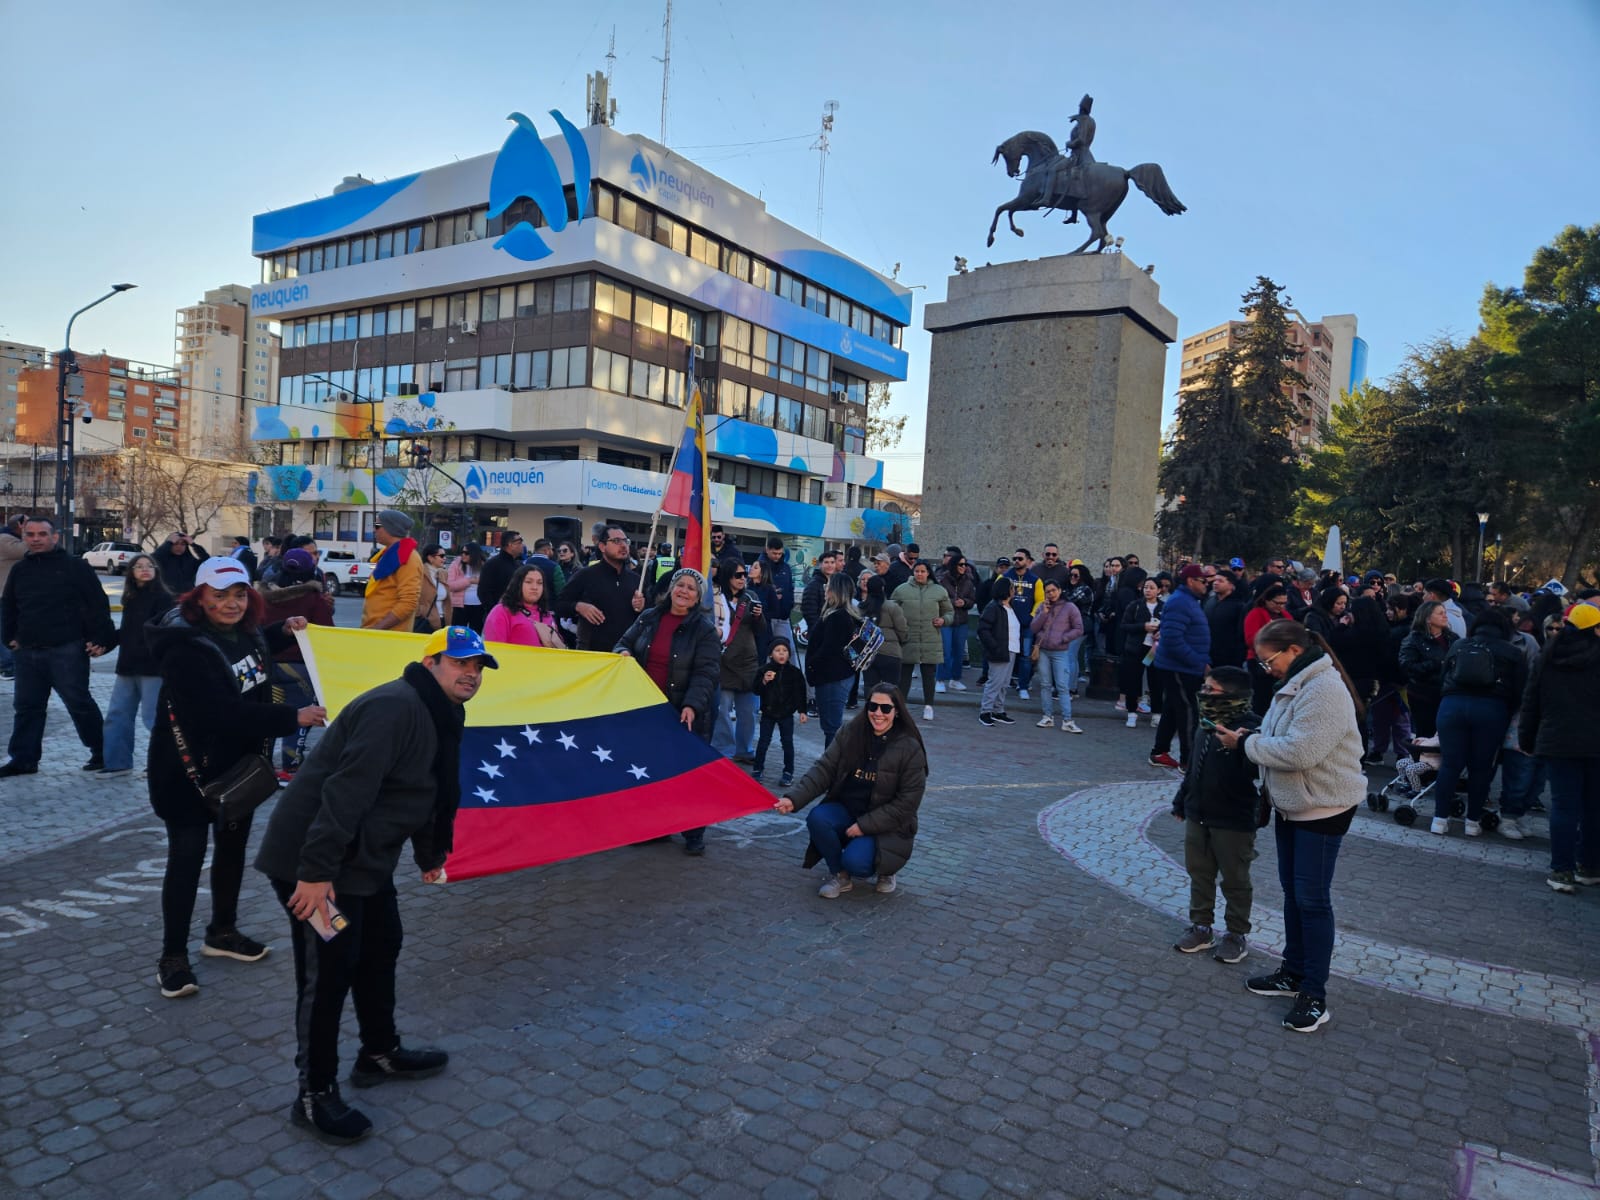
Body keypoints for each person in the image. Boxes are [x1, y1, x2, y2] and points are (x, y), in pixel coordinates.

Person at [255, 625, 493, 1142]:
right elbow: (345, 792)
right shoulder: (396, 707)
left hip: (361, 859)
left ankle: (378, 1053)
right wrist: (316, 874)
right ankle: (313, 1094)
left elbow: (431, 789)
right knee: (329, 972)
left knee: (382, 944)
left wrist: (429, 854)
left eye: (477, 667)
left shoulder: (442, 710)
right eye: (460, 664)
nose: (470, 674)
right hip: (313, 859)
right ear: (431, 664)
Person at [148, 557, 326, 1001]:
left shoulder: (244, 630)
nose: (231, 603)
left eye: (239, 594)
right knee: (186, 863)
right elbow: (220, 712)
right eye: (220, 595)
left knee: (231, 852)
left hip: (238, 769)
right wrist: (292, 716)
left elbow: (243, 659)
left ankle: (221, 932)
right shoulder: (183, 647)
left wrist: (279, 631)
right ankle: (172, 956)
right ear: (199, 597)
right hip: (186, 775)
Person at [1217, 619, 1365, 1034]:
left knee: (1313, 900)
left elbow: (1302, 751)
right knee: (1294, 895)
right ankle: (1294, 971)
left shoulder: (1325, 689)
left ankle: (1314, 995)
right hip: (1292, 803)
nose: (1268, 669)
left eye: (1269, 662)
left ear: (1294, 652)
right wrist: (1255, 733)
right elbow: (1281, 731)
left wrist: (1245, 744)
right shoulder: (1298, 682)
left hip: (1323, 806)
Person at [774, 684, 927, 899]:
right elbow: (824, 769)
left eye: (886, 708)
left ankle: (886, 870)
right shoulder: (850, 732)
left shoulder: (910, 747)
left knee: (857, 863)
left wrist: (865, 826)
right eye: (873, 706)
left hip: (888, 825)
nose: (878, 713)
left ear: (897, 711)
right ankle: (840, 875)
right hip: (849, 810)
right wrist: (793, 798)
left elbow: (907, 803)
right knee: (818, 818)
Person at [615, 569, 721, 855]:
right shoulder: (649, 617)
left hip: (683, 713)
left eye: (691, 588)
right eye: (680, 585)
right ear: (671, 588)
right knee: (651, 772)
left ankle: (694, 833)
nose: (684, 591)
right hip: (646, 711)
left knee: (688, 776)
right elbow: (623, 643)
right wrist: (624, 653)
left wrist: (692, 705)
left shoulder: (705, 629)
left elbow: (707, 672)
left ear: (698, 597)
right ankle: (656, 828)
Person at [0, 516, 116, 776]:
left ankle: (103, 752)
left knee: (79, 703)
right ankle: (23, 759)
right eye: (30, 534)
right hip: (28, 652)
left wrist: (101, 639)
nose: (36, 539)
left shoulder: (75, 567)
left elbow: (98, 605)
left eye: (42, 534)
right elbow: (9, 606)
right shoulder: (20, 569)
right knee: (27, 707)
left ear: (55, 537)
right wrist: (9, 637)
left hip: (67, 650)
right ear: (24, 538)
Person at [1171, 666, 1262, 965]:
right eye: (1205, 688)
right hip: (1199, 813)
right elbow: (1193, 769)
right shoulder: (1204, 724)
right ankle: (1201, 927)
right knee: (1200, 872)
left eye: (1211, 690)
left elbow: (1257, 774)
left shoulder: (1251, 730)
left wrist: (1240, 746)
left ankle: (1236, 933)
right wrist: (1182, 801)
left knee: (1235, 878)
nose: (1204, 694)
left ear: (1233, 694)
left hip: (1234, 819)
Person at [1519, 604, 1600, 891]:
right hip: (1595, 744)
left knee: (1564, 807)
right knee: (1594, 808)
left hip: (1557, 741)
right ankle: (1588, 865)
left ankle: (1560, 870)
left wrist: (1526, 740)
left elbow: (1531, 701)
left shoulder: (1549, 654)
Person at [1428, 608, 1528, 837]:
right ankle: (1472, 822)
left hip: (1452, 707)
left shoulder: (1459, 645)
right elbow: (1520, 690)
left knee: (1450, 765)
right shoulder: (1512, 651)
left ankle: (1439, 819)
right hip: (1491, 709)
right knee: (1481, 768)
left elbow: (1443, 677)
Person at [262, 548, 336, 777]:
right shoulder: (314, 599)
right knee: (299, 716)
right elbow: (326, 632)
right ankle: (290, 767)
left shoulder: (264, 597)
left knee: (270, 717)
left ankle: (262, 766)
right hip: (299, 667)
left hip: (267, 665)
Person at [101, 554, 174, 777]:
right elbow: (127, 631)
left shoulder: (164, 598)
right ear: (131, 572)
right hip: (127, 665)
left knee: (153, 718)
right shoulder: (131, 598)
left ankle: (162, 763)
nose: (144, 569)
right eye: (139, 566)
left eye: (149, 565)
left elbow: (161, 634)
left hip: (152, 668)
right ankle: (118, 763)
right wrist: (104, 645)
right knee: (117, 715)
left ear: (156, 570)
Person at [1150, 564, 1211, 770]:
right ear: (1191, 581)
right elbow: (1174, 639)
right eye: (1203, 581)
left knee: (1172, 709)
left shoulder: (1189, 601)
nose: (1206, 585)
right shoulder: (1181, 602)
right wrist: (1198, 662)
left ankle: (1159, 751)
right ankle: (1188, 760)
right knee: (1187, 712)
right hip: (1180, 667)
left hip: (1184, 666)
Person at [555, 524, 645, 652]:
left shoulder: (636, 579)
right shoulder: (585, 575)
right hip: (593, 654)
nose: (623, 545)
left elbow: (647, 615)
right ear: (602, 546)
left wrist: (641, 607)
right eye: (616, 541)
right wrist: (579, 606)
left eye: (626, 541)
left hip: (625, 653)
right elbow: (559, 605)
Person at [712, 561, 765, 762]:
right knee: (723, 710)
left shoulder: (751, 597)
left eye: (745, 574)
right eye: (738, 575)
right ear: (727, 577)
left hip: (748, 662)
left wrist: (759, 618)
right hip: (724, 661)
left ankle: (744, 749)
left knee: (749, 711)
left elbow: (762, 630)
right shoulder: (717, 599)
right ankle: (724, 750)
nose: (743, 578)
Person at [891, 560, 952, 721]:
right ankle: (900, 706)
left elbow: (949, 612)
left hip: (930, 638)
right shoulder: (901, 590)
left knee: (928, 674)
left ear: (928, 573)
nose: (919, 574)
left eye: (923, 571)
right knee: (904, 675)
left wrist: (943, 620)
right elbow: (891, 610)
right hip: (907, 637)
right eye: (917, 571)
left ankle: (929, 706)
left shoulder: (939, 591)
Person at [805, 574, 861, 747]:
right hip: (836, 676)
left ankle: (832, 767)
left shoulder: (838, 616)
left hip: (833, 678)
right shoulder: (842, 614)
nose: (825, 589)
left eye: (828, 586)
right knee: (831, 725)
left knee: (832, 727)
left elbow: (828, 648)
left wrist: (812, 664)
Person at [1398, 600, 1458, 738]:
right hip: (1423, 696)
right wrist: (1435, 664)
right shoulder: (1413, 640)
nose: (1445, 616)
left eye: (1445, 613)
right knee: (1425, 735)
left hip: (1448, 694)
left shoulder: (1452, 638)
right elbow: (1407, 667)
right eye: (1440, 613)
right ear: (1428, 618)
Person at [1031, 579, 1085, 733]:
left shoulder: (1070, 607)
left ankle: (1067, 720)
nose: (1051, 594)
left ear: (1060, 590)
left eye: (1054, 590)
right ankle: (1047, 717)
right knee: (1045, 684)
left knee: (1062, 686)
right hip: (1043, 650)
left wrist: (1064, 638)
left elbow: (1079, 628)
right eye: (1048, 591)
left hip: (1060, 652)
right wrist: (1044, 613)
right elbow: (1034, 627)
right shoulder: (1043, 606)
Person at [752, 638, 807, 788]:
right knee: (763, 742)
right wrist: (764, 681)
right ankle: (757, 769)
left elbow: (801, 692)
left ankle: (788, 772)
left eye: (785, 651)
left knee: (787, 743)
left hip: (787, 714)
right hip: (768, 712)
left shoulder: (794, 672)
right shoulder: (764, 670)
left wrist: (802, 711)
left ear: (789, 654)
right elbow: (755, 690)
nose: (781, 654)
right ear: (771, 654)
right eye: (778, 651)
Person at [361, 510, 424, 631]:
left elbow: (408, 602)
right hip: (374, 632)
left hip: (389, 636)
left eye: (378, 526)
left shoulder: (408, 558)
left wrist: (378, 628)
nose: (374, 530)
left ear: (391, 528)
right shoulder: (387, 555)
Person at [1118, 578, 1165, 729]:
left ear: (1159, 590)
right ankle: (1132, 712)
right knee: (1133, 680)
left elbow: (1172, 625)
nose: (1148, 590)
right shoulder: (1135, 605)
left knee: (1156, 682)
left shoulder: (1165, 607)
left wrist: (1161, 632)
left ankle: (1157, 713)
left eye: (1152, 588)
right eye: (1146, 587)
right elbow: (1124, 625)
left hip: (1155, 649)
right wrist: (1142, 626)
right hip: (1136, 648)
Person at [483, 564, 564, 648]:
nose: (535, 587)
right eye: (529, 582)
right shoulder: (501, 612)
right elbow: (494, 651)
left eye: (539, 583)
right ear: (518, 584)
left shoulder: (546, 614)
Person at [976, 577, 1019, 727]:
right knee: (995, 682)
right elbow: (983, 629)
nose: (1014, 590)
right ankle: (985, 711)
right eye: (1012, 587)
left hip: (1012, 649)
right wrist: (994, 646)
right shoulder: (993, 607)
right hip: (1000, 650)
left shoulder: (1010, 607)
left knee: (1004, 683)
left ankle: (998, 710)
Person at [1244, 584, 1291, 715]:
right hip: (1260, 661)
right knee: (1262, 699)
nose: (1280, 606)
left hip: (1282, 662)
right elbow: (1250, 640)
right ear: (1267, 600)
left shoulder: (1285, 615)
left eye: (1284, 603)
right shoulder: (1256, 614)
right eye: (1277, 603)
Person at [1002, 550, 1043, 698]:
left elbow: (1040, 600)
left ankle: (1023, 686)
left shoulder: (1035, 579)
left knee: (1026, 656)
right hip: (1007, 623)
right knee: (1007, 654)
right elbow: (997, 594)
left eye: (1020, 558)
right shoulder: (1005, 576)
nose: (1017, 561)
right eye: (1015, 558)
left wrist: (1032, 616)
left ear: (1028, 560)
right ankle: (1003, 684)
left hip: (1027, 625)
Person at [935, 555, 978, 693]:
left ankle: (955, 679)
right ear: (954, 565)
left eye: (965, 565)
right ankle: (940, 679)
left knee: (959, 652)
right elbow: (938, 600)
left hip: (962, 621)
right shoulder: (942, 580)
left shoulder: (968, 581)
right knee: (945, 651)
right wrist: (954, 602)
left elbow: (972, 600)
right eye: (961, 565)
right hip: (947, 620)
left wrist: (964, 602)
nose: (963, 567)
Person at [860, 575, 908, 691]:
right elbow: (902, 629)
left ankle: (870, 707)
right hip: (891, 653)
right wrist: (902, 641)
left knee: (870, 686)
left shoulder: (862, 607)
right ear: (882, 588)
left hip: (869, 652)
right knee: (891, 688)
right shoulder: (892, 607)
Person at [1206, 570, 1249, 669]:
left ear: (1231, 585)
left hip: (1229, 656)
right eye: (1215, 580)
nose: (1216, 583)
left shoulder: (1239, 606)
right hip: (1209, 653)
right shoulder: (1209, 602)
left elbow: (1241, 634)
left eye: (1220, 581)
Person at [0, 514, 24, 679]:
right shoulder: (5, 539)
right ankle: (8, 667)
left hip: (10, 593)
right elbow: (27, 550)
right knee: (5, 629)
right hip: (3, 593)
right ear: (20, 525)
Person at [762, 536, 795, 648]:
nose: (777, 556)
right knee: (767, 652)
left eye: (780, 553)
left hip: (783, 616)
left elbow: (790, 589)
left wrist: (789, 605)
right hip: (766, 617)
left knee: (787, 651)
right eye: (774, 553)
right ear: (767, 550)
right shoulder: (760, 567)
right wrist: (771, 595)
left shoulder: (786, 568)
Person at [447, 543, 488, 631]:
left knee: (476, 634)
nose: (463, 555)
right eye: (462, 552)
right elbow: (450, 585)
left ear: (474, 554)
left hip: (479, 606)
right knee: (458, 634)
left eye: (466, 553)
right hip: (460, 606)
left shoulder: (485, 566)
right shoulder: (456, 565)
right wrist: (470, 581)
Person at [413, 543, 447, 633]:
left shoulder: (443, 574)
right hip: (426, 621)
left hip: (443, 620)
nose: (444, 558)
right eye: (441, 556)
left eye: (445, 556)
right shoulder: (419, 572)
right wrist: (421, 611)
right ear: (430, 558)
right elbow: (412, 595)